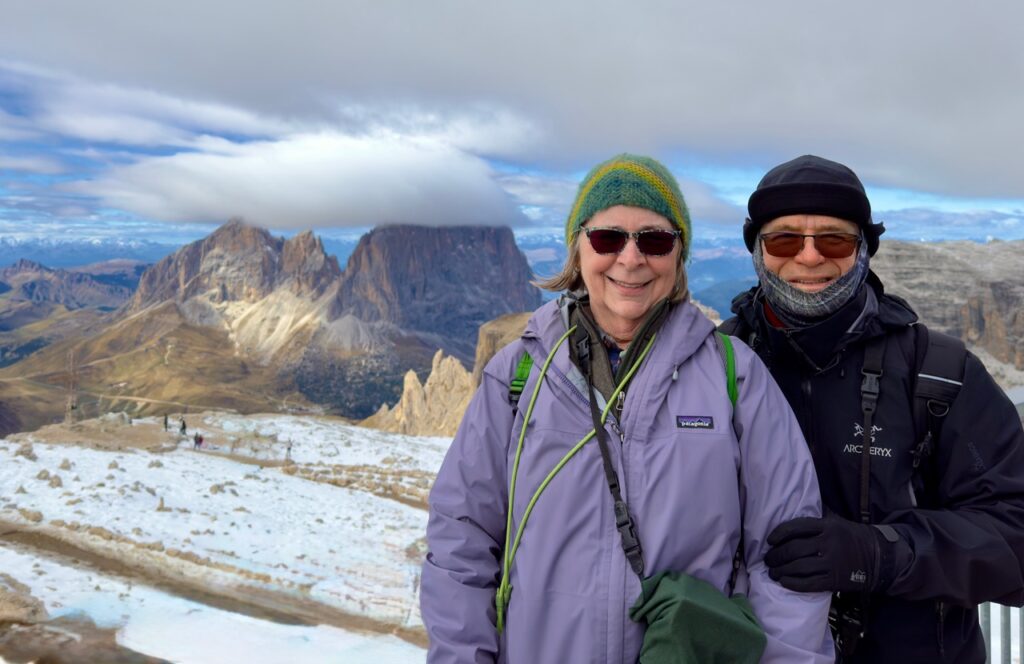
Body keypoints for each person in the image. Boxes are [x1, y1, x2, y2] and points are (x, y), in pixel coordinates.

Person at [422, 154, 833, 663]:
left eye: (655, 240)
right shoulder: (516, 375)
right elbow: (461, 542)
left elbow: (789, 559)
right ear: (578, 246)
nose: (631, 258)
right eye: (608, 237)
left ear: (679, 254)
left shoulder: (736, 378)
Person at [720, 154, 1024, 662]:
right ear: (758, 250)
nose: (810, 257)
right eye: (785, 239)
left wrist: (878, 555)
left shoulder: (940, 372)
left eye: (834, 239)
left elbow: (1015, 539)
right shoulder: (716, 368)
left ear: (864, 249)